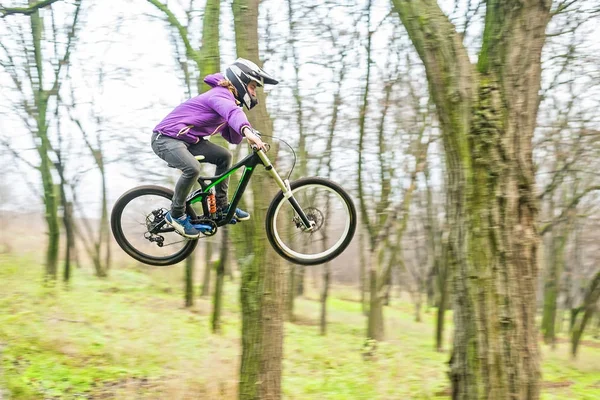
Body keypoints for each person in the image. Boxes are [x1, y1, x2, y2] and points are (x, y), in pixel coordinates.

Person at [151, 58, 279, 238]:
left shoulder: (229, 101)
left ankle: (221, 206)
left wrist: (246, 132)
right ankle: (176, 215)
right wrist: (246, 131)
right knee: (192, 168)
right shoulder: (220, 95)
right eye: (252, 87)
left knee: (224, 156)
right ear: (240, 82)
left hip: (188, 140)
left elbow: (233, 135)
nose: (254, 93)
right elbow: (232, 112)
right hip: (165, 138)